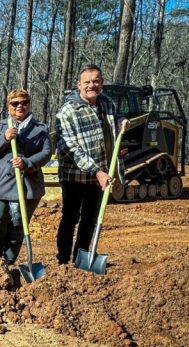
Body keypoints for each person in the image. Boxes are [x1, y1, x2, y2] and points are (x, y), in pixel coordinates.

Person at [55, 64, 127, 264]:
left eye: (96, 81)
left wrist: (120, 120)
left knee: (90, 220)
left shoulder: (107, 103)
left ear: (102, 83)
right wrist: (96, 171)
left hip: (101, 175)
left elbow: (112, 124)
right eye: (87, 82)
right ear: (79, 85)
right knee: (70, 218)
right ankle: (63, 261)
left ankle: (82, 259)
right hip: (74, 176)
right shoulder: (67, 111)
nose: (91, 85)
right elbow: (69, 148)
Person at [0, 89, 51, 273]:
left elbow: (46, 153)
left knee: (18, 226)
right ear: (8, 106)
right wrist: (4, 138)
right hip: (0, 185)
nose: (20, 106)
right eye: (15, 103)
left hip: (27, 187)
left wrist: (27, 162)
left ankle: (10, 263)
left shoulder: (40, 128)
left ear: (29, 104)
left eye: (24, 102)